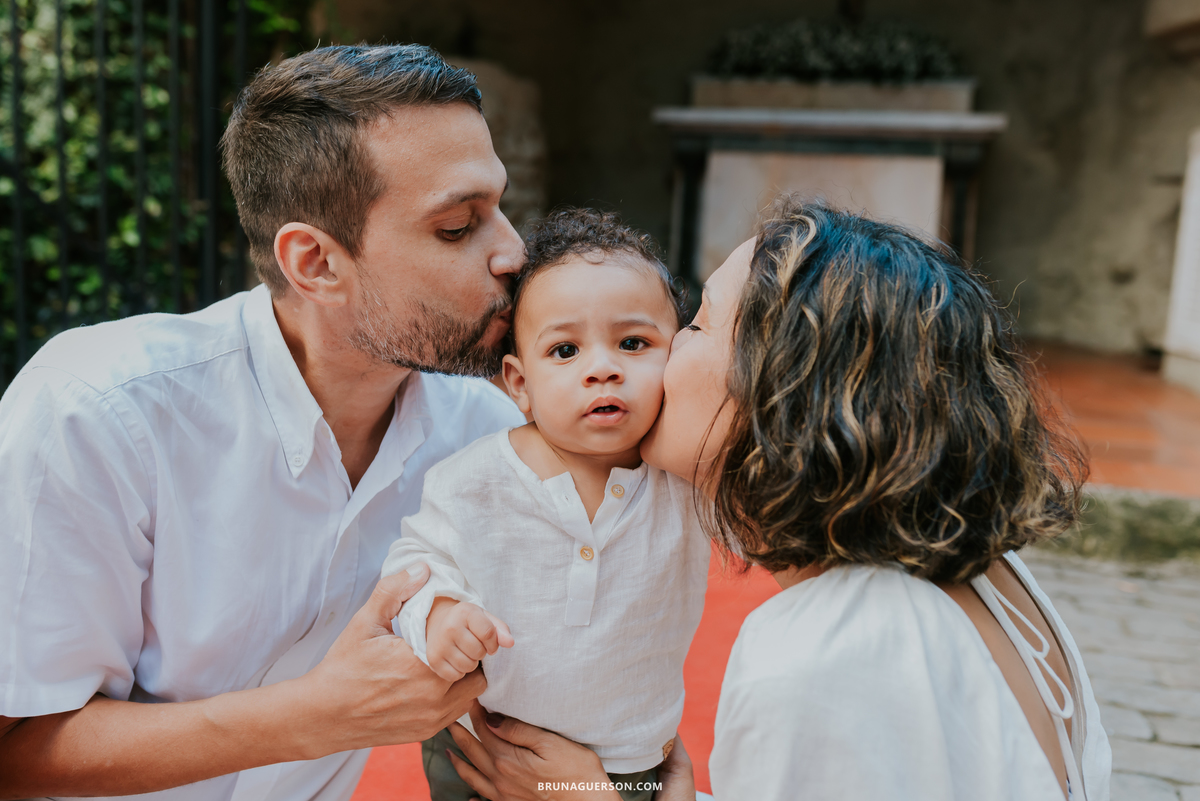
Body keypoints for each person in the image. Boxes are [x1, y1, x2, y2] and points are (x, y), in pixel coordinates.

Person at [446, 200, 1112, 801]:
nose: (666, 346)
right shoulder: (987, 573)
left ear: (779, 393)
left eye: (699, 324)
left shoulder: (817, 654)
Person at [0, 44, 526, 800]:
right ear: (314, 262)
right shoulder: (94, 412)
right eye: (457, 227)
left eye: (500, 208)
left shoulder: (486, 433)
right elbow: (15, 747)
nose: (511, 250)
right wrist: (317, 716)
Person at [381, 209, 708, 801]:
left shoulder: (685, 483)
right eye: (565, 351)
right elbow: (412, 564)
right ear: (519, 382)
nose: (602, 368)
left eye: (633, 343)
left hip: (628, 765)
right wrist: (439, 613)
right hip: (484, 753)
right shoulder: (472, 480)